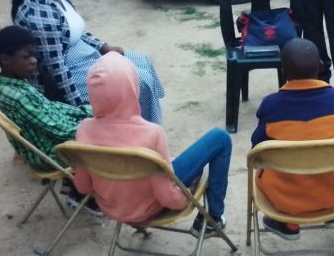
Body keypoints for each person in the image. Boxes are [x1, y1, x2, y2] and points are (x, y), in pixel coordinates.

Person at [72, 53, 232, 235]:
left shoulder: (84, 129)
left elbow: (83, 186)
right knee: (220, 138)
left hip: (113, 207)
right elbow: (168, 198)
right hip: (149, 208)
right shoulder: (151, 133)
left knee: (160, 165)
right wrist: (187, 197)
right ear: (132, 87)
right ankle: (213, 218)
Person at [12, 0, 165, 123]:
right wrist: (80, 109)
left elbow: (75, 30)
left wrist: (103, 47)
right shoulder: (41, 15)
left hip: (86, 55)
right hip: (72, 71)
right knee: (140, 81)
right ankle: (143, 132)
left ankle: (144, 123)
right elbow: (56, 70)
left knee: (142, 61)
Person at [251, 39, 334, 241]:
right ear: (321, 67)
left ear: (283, 71)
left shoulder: (271, 105)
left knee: (266, 165)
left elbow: (257, 151)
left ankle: (287, 222)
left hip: (286, 197)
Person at [0, 26, 92, 172]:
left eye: (34, 55)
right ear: (5, 59)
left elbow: (50, 107)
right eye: (26, 57)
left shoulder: (10, 85)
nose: (34, 61)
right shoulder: (18, 97)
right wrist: (94, 128)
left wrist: (85, 112)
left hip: (51, 138)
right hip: (52, 154)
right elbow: (57, 129)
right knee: (112, 140)